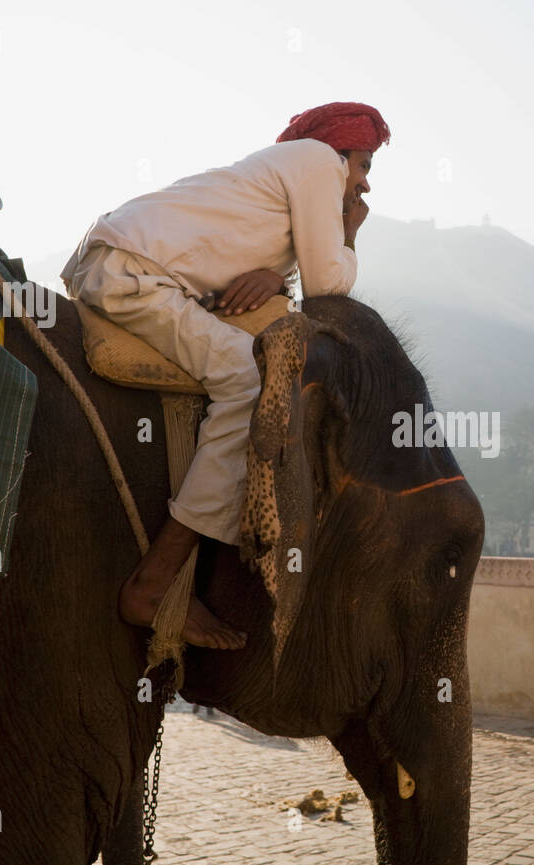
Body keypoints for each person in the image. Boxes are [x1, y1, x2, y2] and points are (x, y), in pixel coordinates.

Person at [60, 102, 391, 648]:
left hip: (124, 263)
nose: (363, 184)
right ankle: (154, 583)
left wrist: (276, 276)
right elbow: (329, 289)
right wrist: (350, 234)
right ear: (339, 152)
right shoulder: (316, 162)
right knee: (251, 382)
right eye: (365, 165)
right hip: (133, 274)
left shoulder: (282, 174)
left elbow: (266, 271)